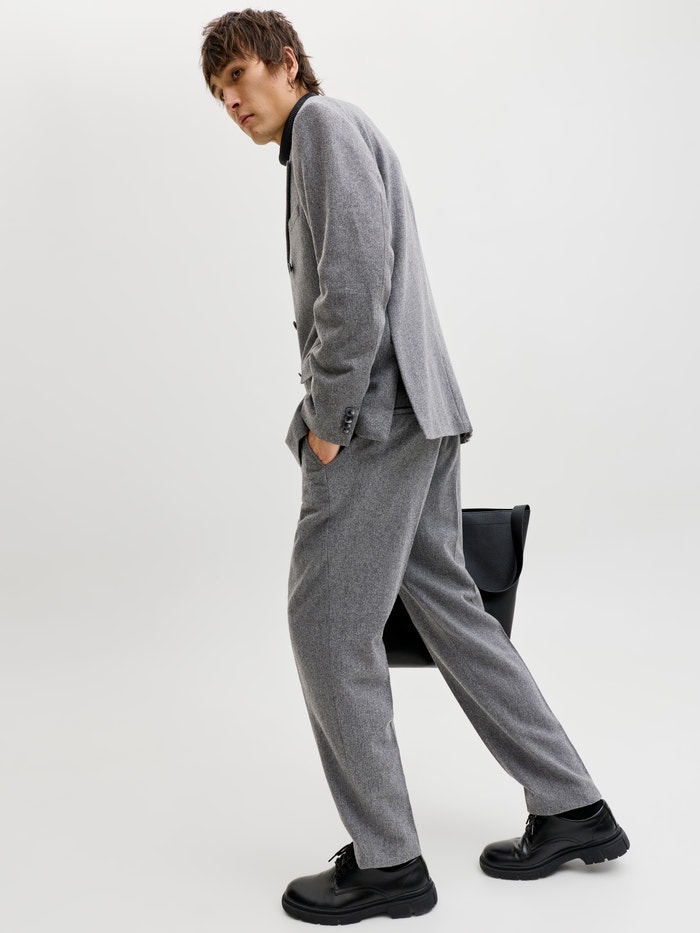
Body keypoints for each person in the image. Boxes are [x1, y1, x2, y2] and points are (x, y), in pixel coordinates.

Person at [201, 9, 629, 925]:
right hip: (417, 412)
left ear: (286, 64)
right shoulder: (326, 137)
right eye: (218, 92)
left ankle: (388, 861)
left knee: (326, 626)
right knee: (450, 615)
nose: (231, 100)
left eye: (239, 76)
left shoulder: (323, 125)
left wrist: (328, 420)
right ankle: (573, 806)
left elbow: (355, 281)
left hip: (376, 422)